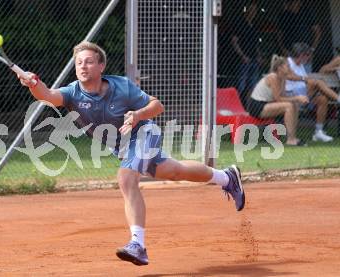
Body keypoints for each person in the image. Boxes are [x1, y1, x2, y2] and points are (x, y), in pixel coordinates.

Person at [18, 41, 245, 266]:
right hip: (123, 147)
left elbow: (157, 106)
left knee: (126, 178)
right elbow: (46, 95)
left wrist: (137, 114)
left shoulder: (121, 87)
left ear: (101, 67)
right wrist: (33, 83)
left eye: (88, 62)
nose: (83, 66)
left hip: (144, 133)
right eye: (79, 62)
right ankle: (226, 177)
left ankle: (138, 245)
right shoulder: (72, 93)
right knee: (175, 171)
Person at [247, 55, 308, 146]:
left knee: (294, 104)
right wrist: (297, 97)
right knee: (289, 106)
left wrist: (296, 99)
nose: (290, 68)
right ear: (280, 68)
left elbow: (283, 95)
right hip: (257, 106)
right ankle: (290, 139)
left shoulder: (282, 78)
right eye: (287, 66)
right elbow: (278, 99)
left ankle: (293, 137)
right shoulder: (273, 77)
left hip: (268, 104)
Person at [286, 43, 340, 142]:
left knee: (322, 99)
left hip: (305, 96)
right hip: (292, 96)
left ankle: (318, 132)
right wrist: (305, 79)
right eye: (307, 55)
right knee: (316, 82)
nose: (309, 57)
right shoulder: (287, 62)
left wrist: (308, 80)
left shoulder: (301, 65)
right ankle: (338, 98)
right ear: (301, 55)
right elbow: (289, 76)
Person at [231, 0, 262, 107]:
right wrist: (243, 56)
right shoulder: (240, 24)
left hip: (253, 59)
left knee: (252, 86)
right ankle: (237, 106)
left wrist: (259, 56)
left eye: (255, 10)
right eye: (251, 10)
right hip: (244, 60)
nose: (253, 12)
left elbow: (256, 43)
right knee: (241, 85)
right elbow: (234, 41)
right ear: (246, 11)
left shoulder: (254, 25)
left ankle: (248, 109)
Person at [277, 0, 322, 71]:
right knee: (291, 76)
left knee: (306, 76)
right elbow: (279, 34)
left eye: (297, 2)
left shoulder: (307, 13)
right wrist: (283, 49)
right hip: (290, 52)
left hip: (305, 52)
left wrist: (312, 50)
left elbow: (317, 32)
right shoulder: (284, 15)